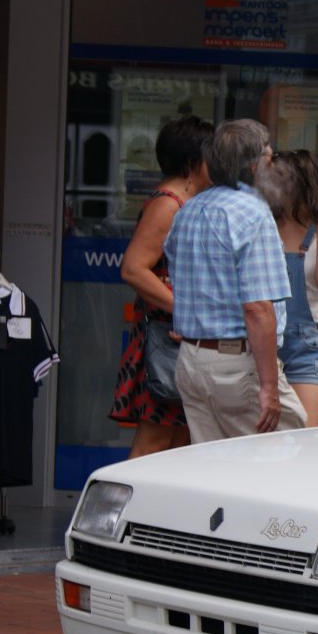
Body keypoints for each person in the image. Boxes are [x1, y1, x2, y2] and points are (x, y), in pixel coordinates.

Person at [164, 119, 306, 443]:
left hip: (191, 360)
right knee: (289, 453)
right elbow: (257, 308)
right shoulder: (252, 213)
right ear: (253, 166)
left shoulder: (188, 210)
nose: (276, 167)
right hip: (236, 365)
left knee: (216, 473)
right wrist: (269, 386)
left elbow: (180, 278)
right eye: (270, 159)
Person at [109, 115, 213, 457]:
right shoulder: (169, 204)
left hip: (177, 338)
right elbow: (134, 269)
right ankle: (129, 512)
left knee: (178, 445)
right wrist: (185, 312)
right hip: (165, 340)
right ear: (193, 162)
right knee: (154, 444)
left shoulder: (184, 202)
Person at [261, 150, 318, 426]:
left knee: (304, 435)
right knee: (259, 437)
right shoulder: (264, 224)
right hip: (262, 337)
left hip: (305, 344)